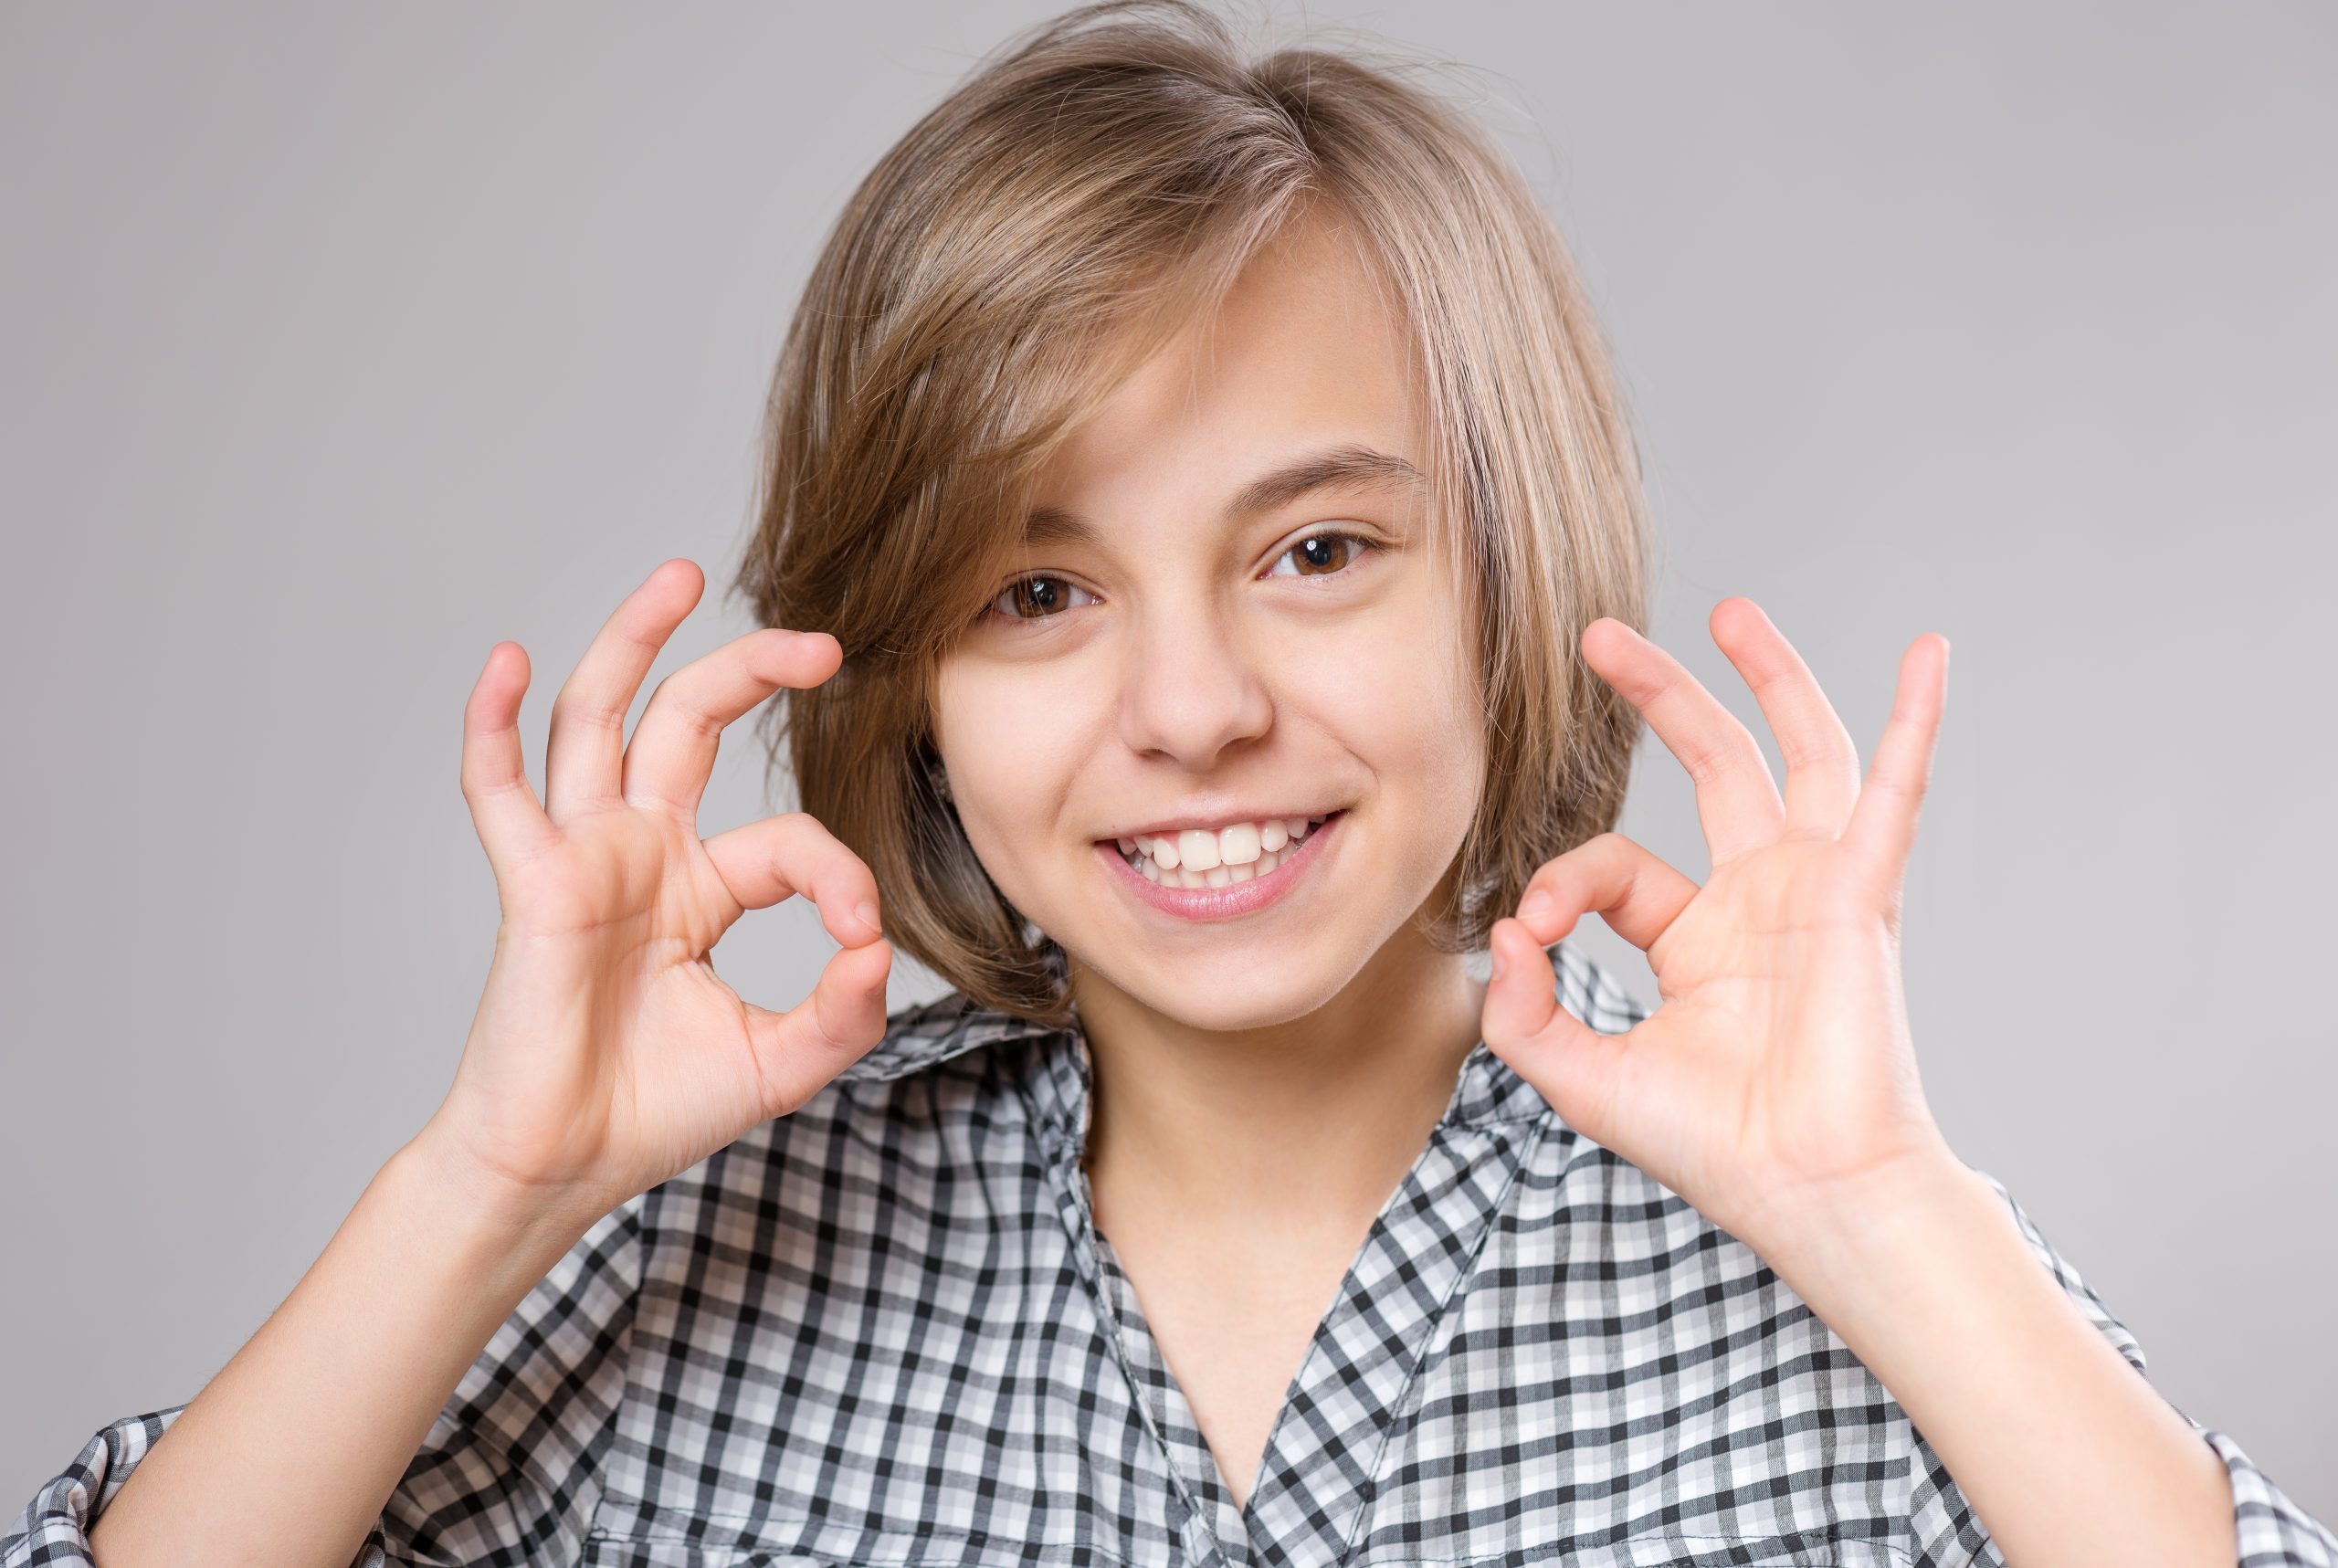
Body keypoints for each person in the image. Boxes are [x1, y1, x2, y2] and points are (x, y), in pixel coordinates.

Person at [7, 3, 2333, 1566]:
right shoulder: (707, 1257)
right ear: (906, 675)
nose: (1192, 705)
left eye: (1316, 550)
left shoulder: (1835, 1257)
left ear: (1503, 577)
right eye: (1037, 594)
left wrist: (1881, 1211)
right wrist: (482, 1184)